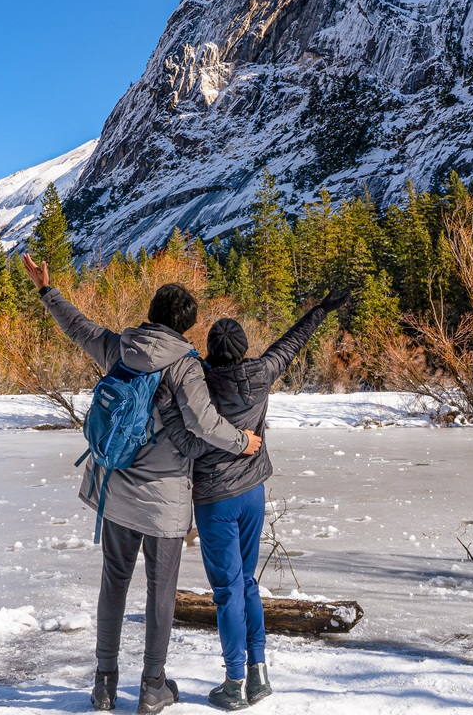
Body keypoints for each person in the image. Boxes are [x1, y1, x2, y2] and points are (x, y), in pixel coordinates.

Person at [22, 254, 262, 715]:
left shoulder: (120, 348)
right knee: (160, 589)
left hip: (116, 489)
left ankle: (104, 684)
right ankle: (153, 686)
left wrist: (46, 290)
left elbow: (77, 327)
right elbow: (207, 424)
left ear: (152, 315)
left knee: (114, 582)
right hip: (164, 499)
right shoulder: (185, 367)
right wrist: (243, 442)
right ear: (187, 328)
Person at [158, 289, 350, 710]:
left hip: (216, 500)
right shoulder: (261, 373)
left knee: (227, 590)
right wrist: (320, 309)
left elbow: (186, 433)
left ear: (211, 349)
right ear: (244, 349)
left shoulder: (198, 381)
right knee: (246, 583)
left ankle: (233, 681)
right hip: (253, 493)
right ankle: (259, 672)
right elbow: (291, 342)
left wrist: (168, 411)